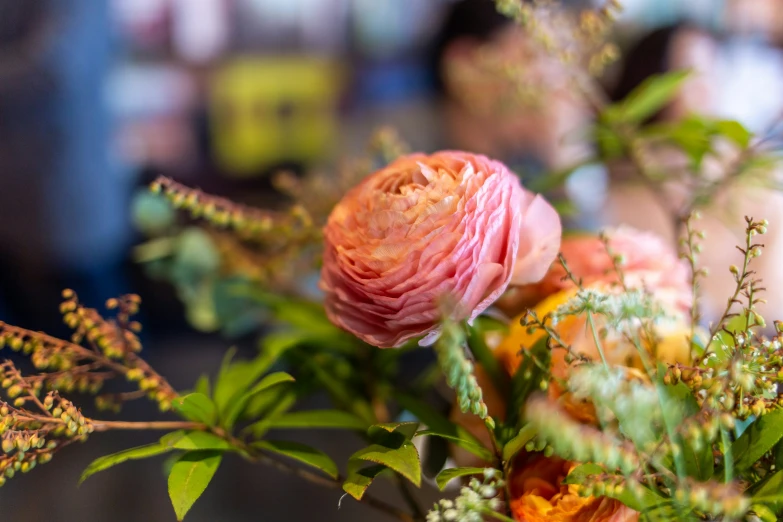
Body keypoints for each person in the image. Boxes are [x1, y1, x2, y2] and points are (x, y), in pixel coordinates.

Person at [601, 23, 783, 327]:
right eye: (691, 75)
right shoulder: (626, 180)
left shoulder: (747, 166)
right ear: (651, 83)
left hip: (751, 336)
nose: (706, 88)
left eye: (712, 71)